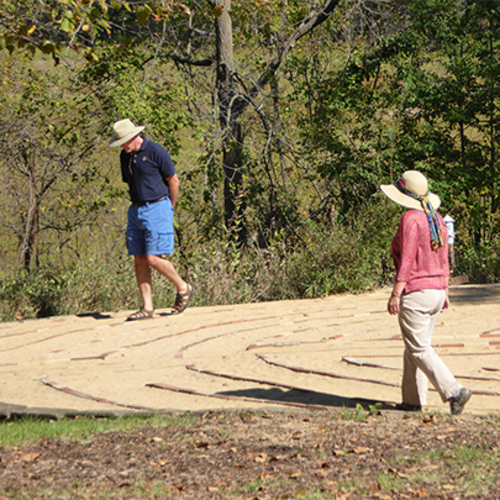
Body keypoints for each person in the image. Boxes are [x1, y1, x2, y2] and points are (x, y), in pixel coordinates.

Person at [380, 170, 471, 415]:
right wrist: (445, 290)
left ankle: (454, 391)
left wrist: (396, 292)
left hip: (416, 293)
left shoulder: (410, 219)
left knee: (419, 349)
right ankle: (412, 401)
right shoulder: (436, 218)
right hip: (435, 292)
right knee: (414, 349)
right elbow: (443, 259)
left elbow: (408, 258)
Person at [109, 118, 193, 321]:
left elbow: (173, 180)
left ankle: (183, 287)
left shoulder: (156, 151)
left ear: (133, 137)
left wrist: (169, 207)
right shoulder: (125, 156)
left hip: (158, 207)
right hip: (136, 210)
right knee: (138, 257)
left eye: (123, 141)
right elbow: (130, 183)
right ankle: (147, 308)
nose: (122, 146)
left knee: (153, 258)